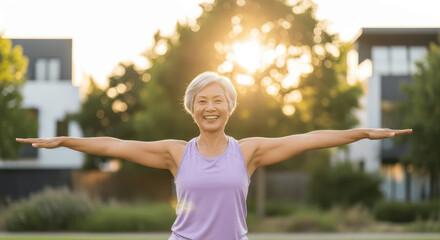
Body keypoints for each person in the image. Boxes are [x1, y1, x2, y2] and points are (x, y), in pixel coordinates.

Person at [16, 71, 412, 240]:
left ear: (229, 107)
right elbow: (115, 146)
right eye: (201, 101)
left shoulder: (249, 151)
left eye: (217, 100)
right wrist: (66, 141)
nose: (210, 107)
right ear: (192, 109)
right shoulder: (175, 153)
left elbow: (308, 138)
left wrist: (361, 132)